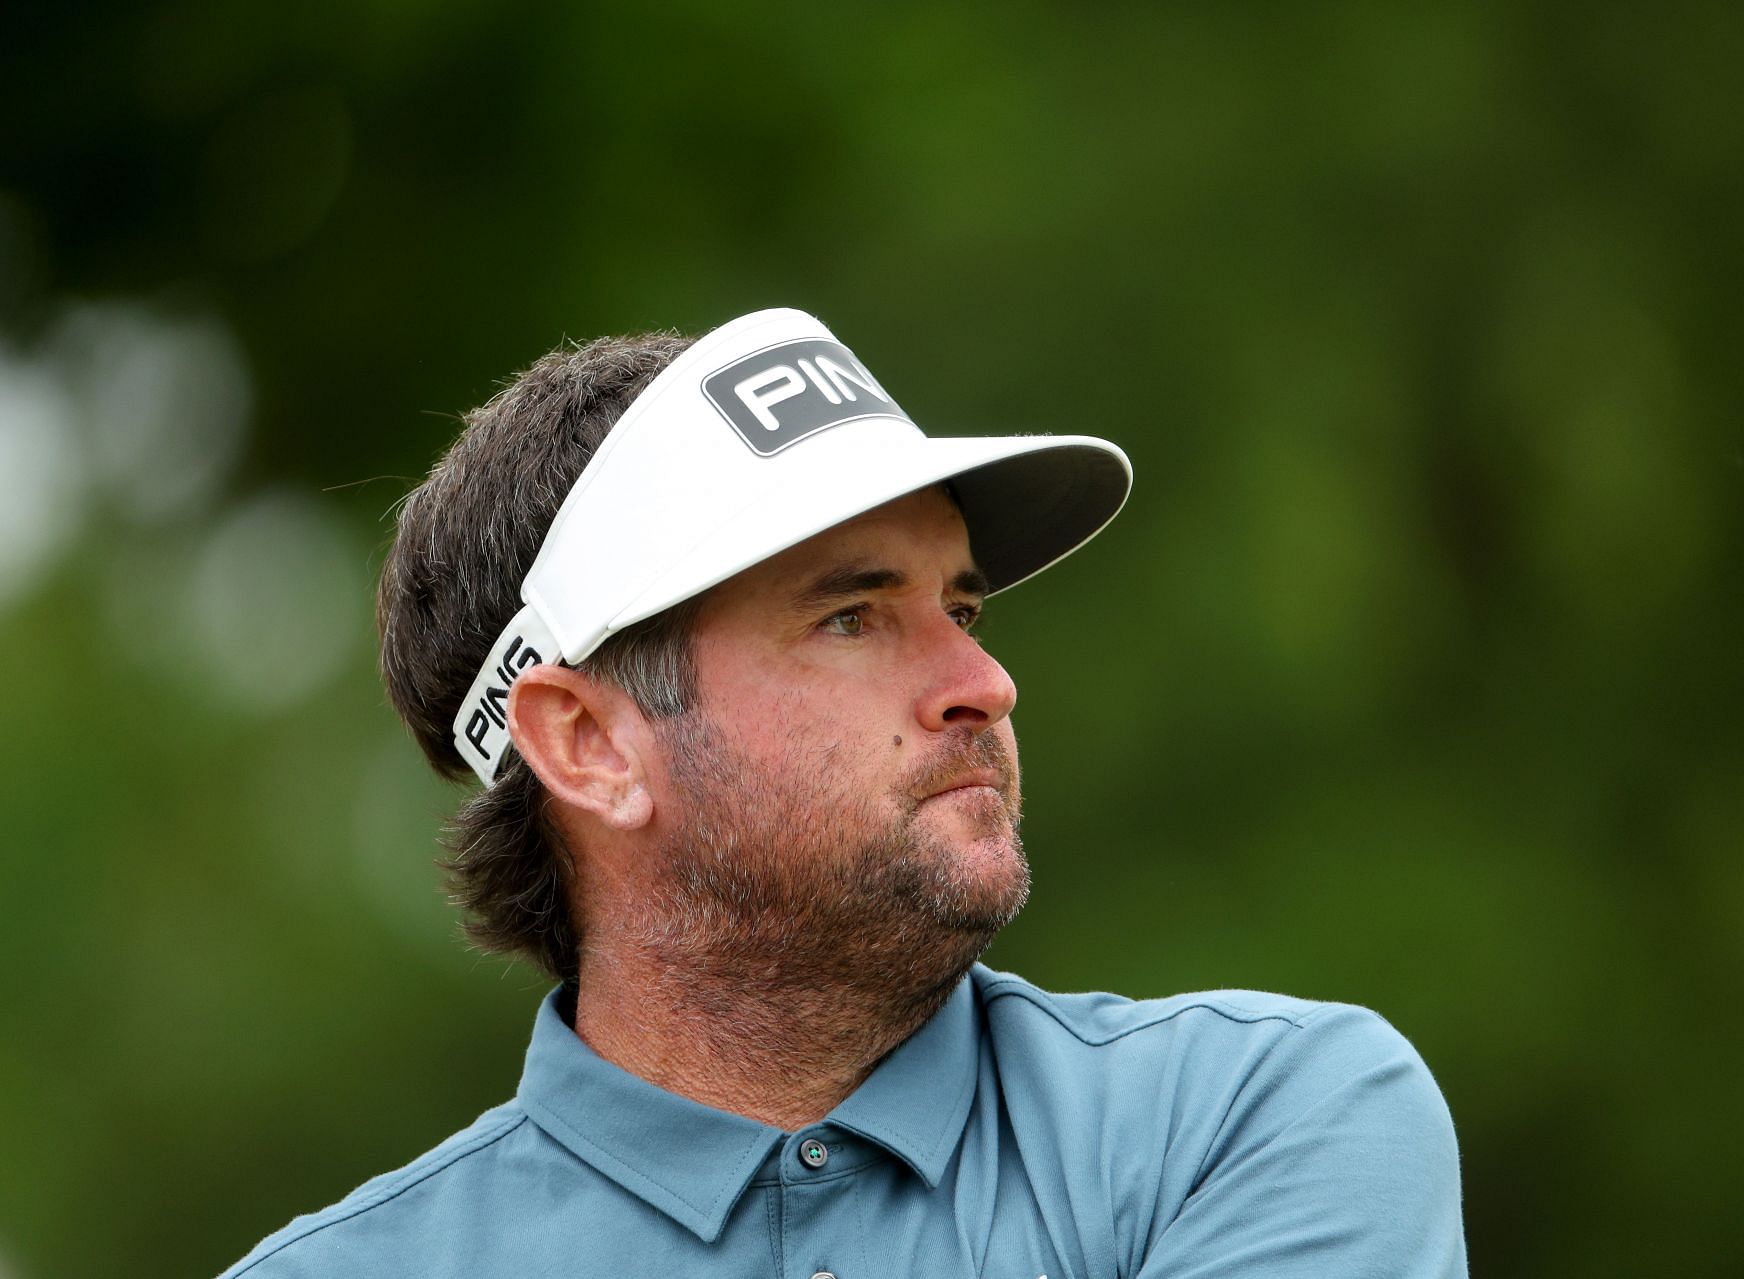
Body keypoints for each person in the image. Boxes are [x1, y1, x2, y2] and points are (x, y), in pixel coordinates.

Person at [222, 307, 1468, 1276]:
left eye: (962, 605)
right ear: (590, 742)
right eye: (853, 615)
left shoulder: (1259, 1120)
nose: (983, 680)